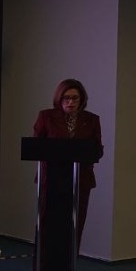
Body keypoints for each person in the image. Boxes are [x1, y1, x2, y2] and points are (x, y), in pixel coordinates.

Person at [33, 78, 104, 248]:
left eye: (75, 98)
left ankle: (70, 264)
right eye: (66, 98)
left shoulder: (91, 120)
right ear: (59, 98)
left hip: (80, 179)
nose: (70, 102)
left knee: (74, 226)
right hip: (51, 179)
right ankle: (43, 265)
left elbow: (97, 150)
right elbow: (36, 146)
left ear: (81, 99)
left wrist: (85, 152)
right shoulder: (46, 116)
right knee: (48, 226)